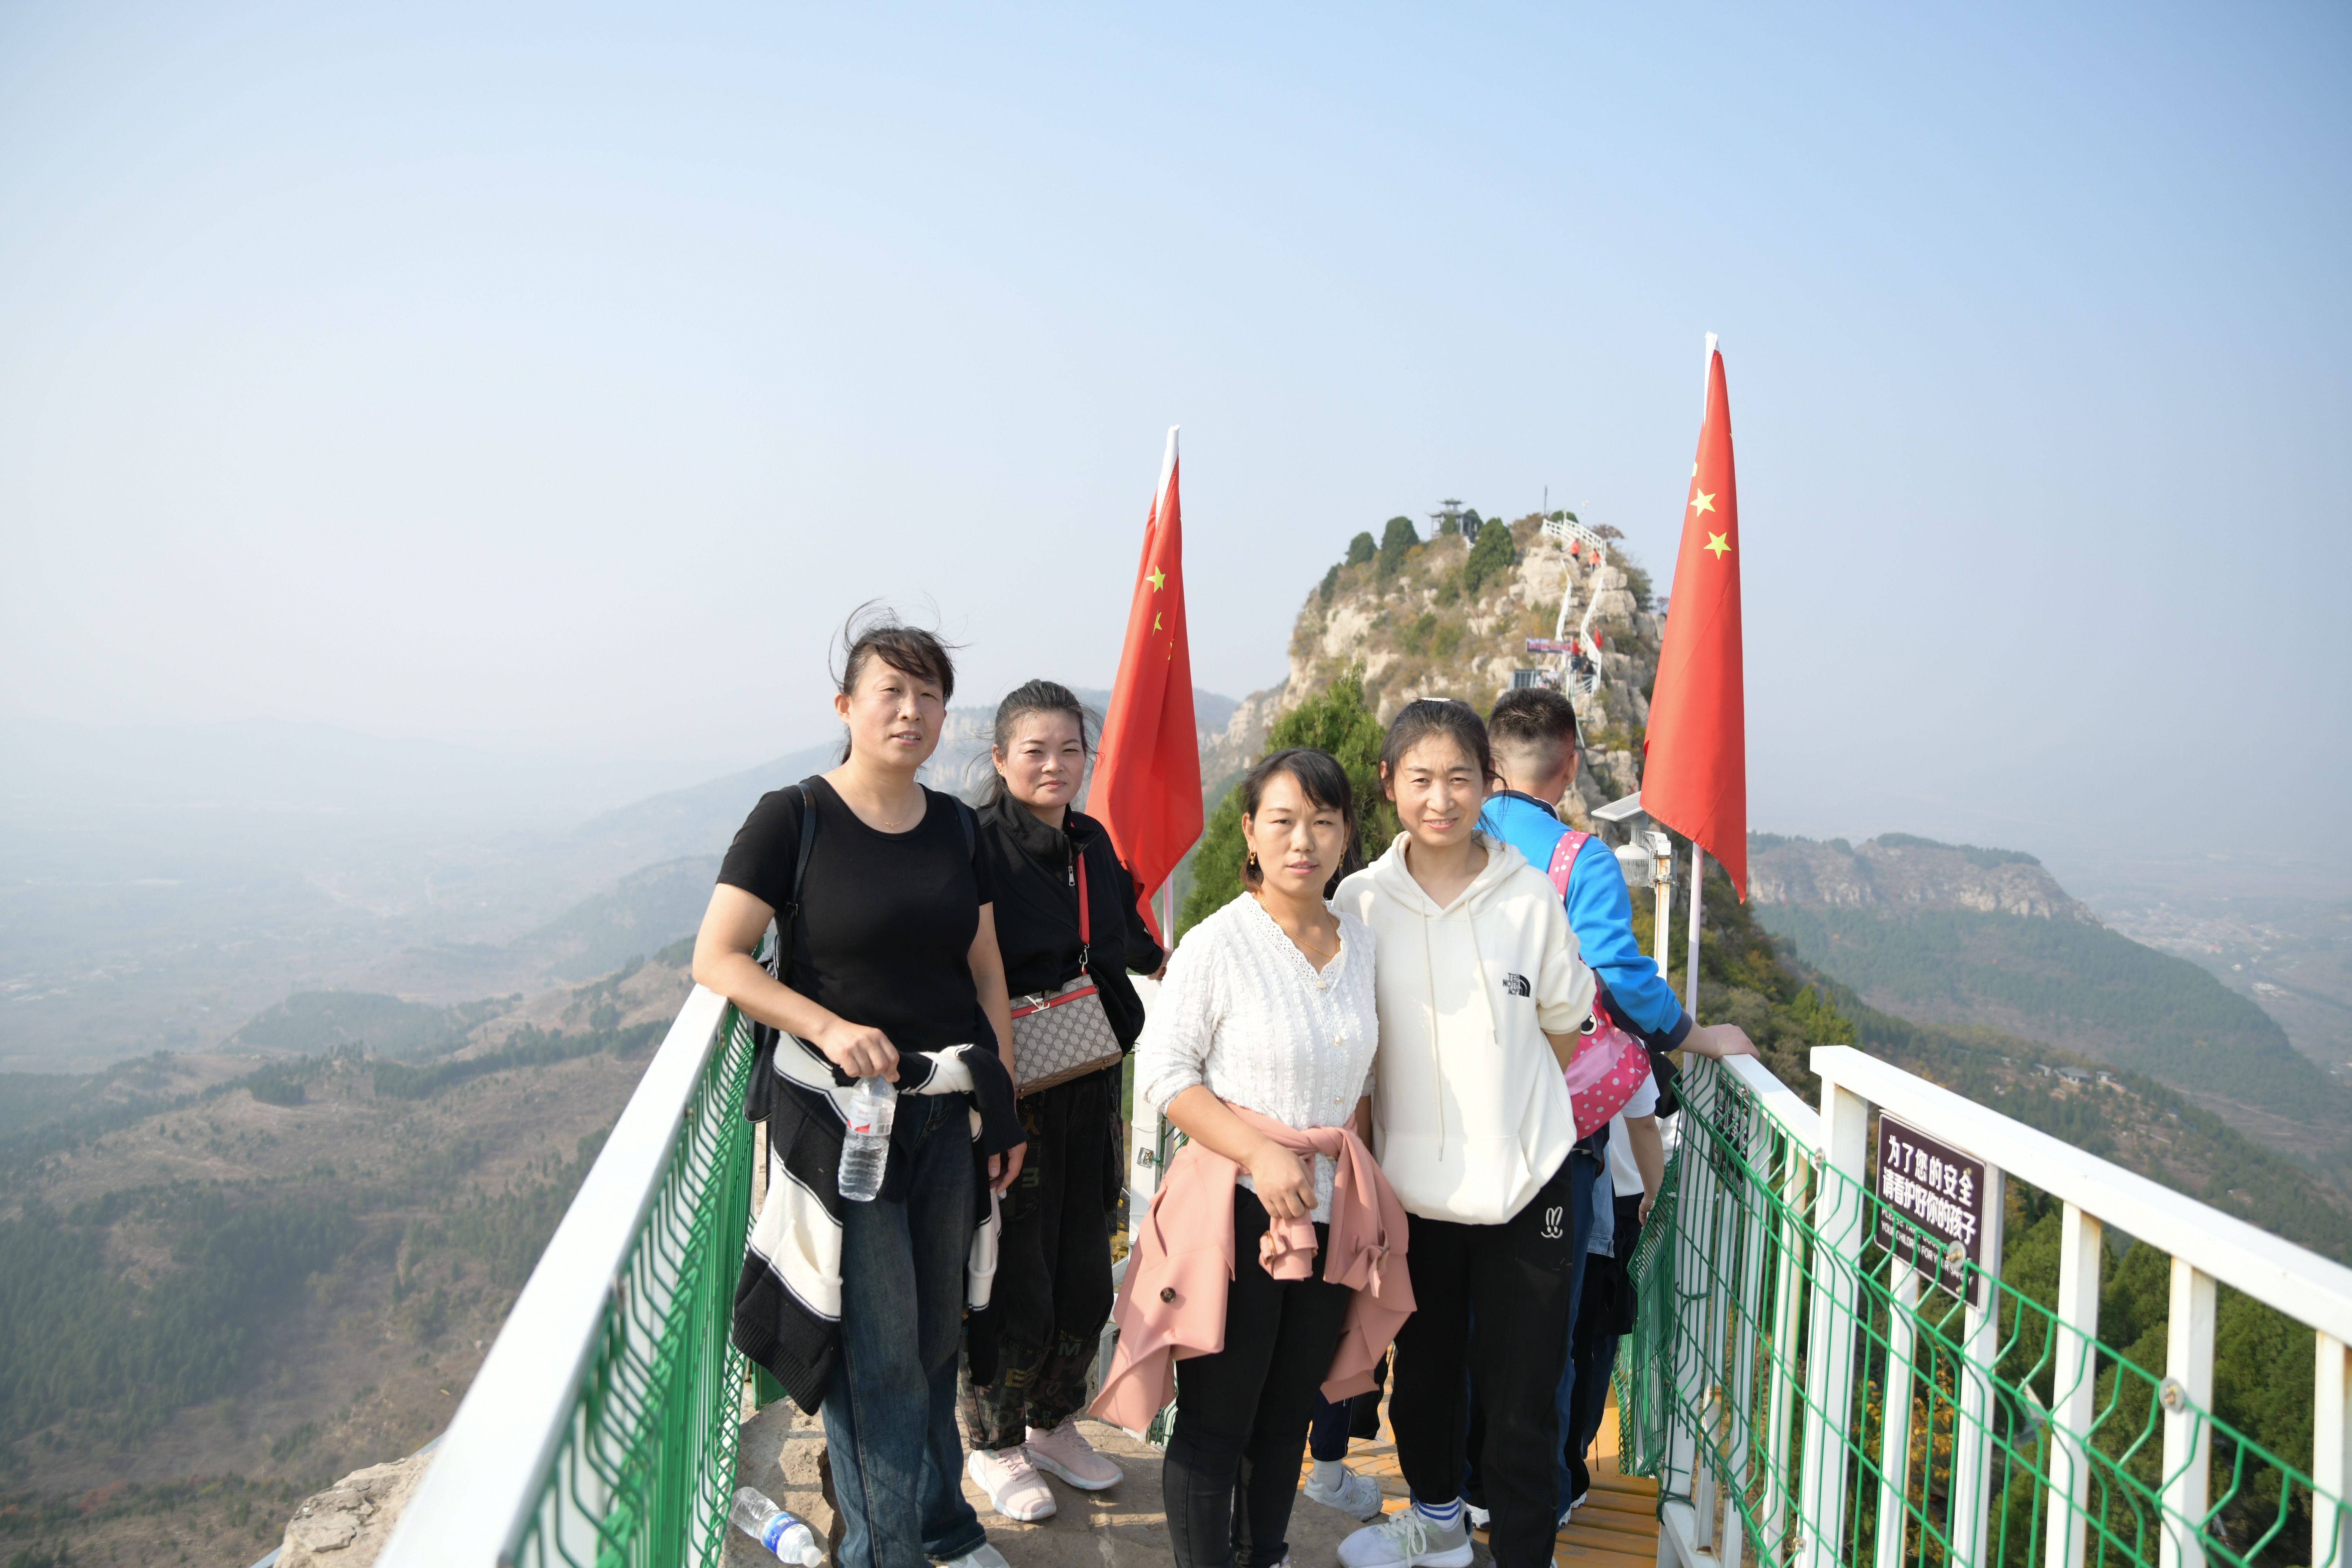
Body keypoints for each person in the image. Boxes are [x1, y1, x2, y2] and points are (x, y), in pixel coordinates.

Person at [697, 610, 1027, 1568]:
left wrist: (1001, 1106)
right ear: (846, 706)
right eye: (893, 691)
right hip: (844, 1124)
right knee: (877, 1351)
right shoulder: (792, 818)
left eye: (930, 696)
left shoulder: (958, 828)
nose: (912, 711)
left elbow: (988, 975)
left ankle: (941, 1524)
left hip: (946, 1115)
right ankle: (887, 1552)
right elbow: (718, 958)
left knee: (933, 1340)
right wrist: (828, 1026)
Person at [1094, 748, 1407, 1568]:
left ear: (1346, 834)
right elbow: (1166, 1074)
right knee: (1219, 1417)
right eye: (1284, 821)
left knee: (1286, 1411)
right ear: (1250, 832)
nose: (1304, 841)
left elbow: (1363, 1082)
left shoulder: (1362, 944)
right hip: (1236, 1210)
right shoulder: (1219, 942)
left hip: (1331, 1211)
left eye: (1324, 822)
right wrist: (1261, 1154)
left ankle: (1263, 1553)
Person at [1331, 699, 1598, 1568]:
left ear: (1489, 783)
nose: (1440, 799)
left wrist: (1507, 1106)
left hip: (1529, 1184)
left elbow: (1562, 1022)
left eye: (1459, 779)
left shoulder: (1529, 897)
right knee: (1427, 1380)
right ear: (1389, 785)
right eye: (1421, 780)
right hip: (1412, 1193)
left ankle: (1523, 1554)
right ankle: (1439, 1524)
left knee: (1523, 1400)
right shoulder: (1360, 902)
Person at [1479, 686, 1756, 1517]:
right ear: (1568, 766)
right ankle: (1539, 1492)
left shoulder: (1451, 841)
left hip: (1452, 1114)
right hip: (1554, 1127)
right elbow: (1619, 973)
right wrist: (1693, 1035)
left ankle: (1454, 1491)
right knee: (1546, 1328)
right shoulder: (1578, 859)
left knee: (1462, 1315)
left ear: (1487, 763)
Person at [960, 680, 1164, 1521]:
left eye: (1070, 749)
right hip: (1014, 1092)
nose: (1055, 765)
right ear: (1000, 758)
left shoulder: (1091, 842)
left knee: (1085, 1268)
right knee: (1017, 1273)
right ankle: (994, 1443)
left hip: (1090, 1082)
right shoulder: (974, 846)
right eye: (1034, 750)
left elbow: (1132, 944)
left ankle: (1052, 1423)